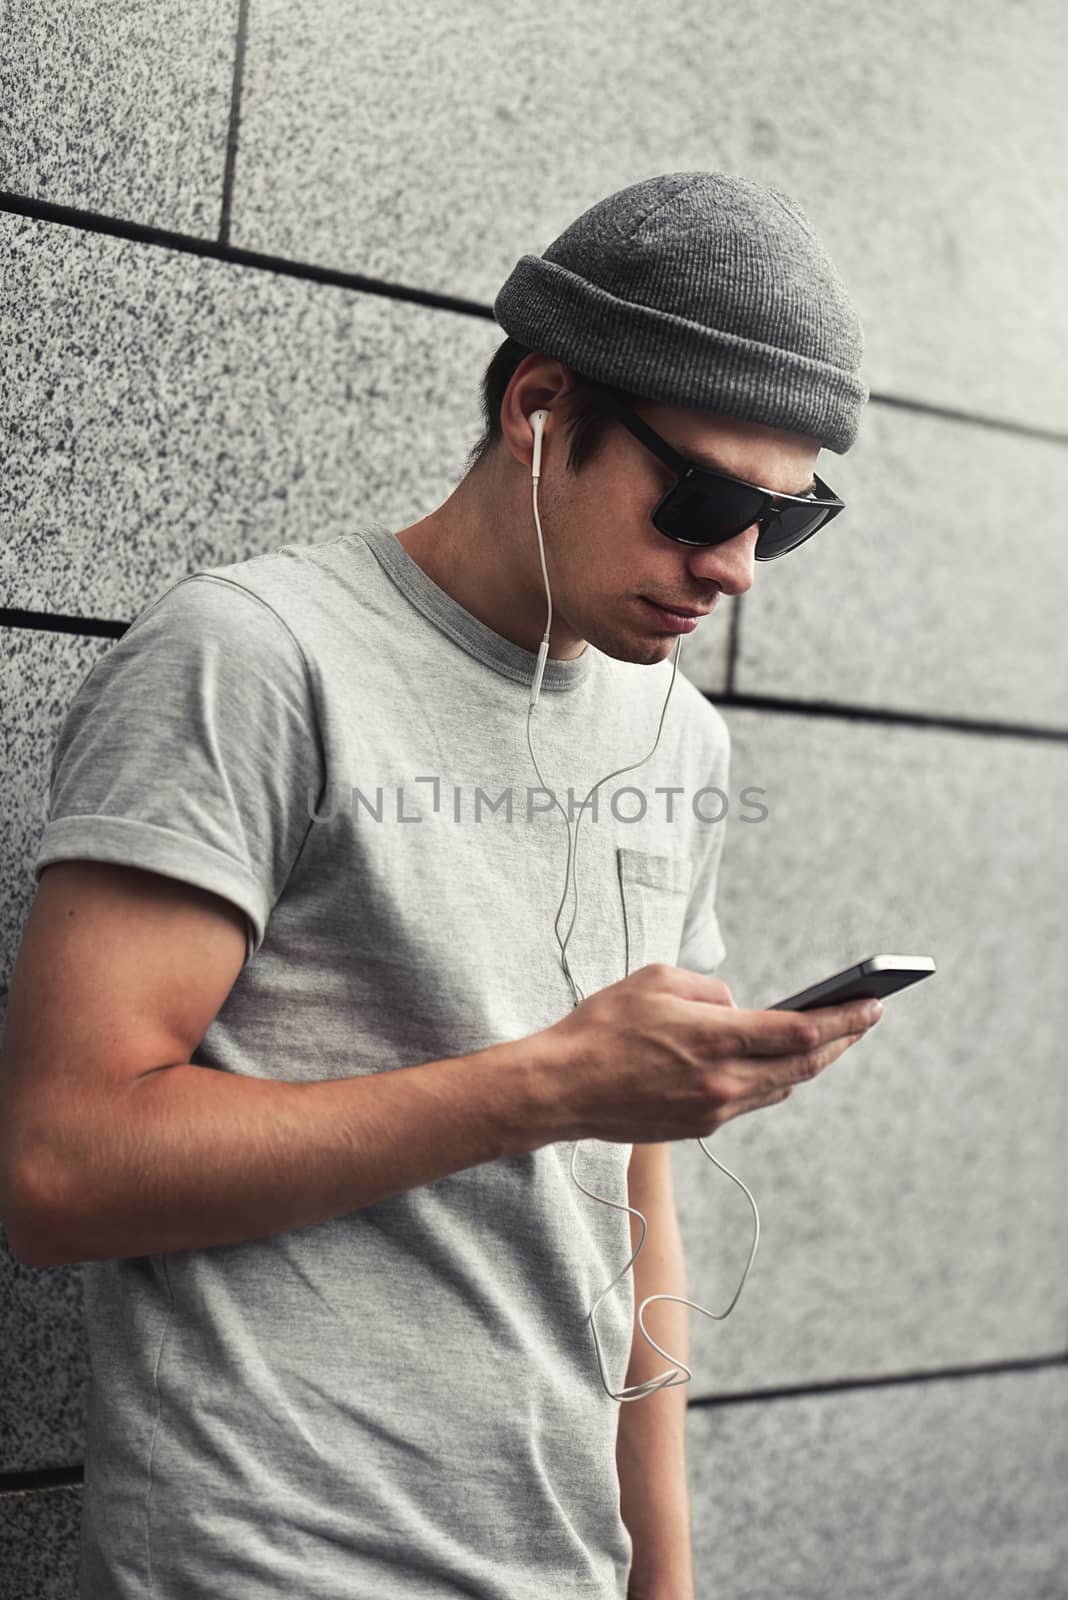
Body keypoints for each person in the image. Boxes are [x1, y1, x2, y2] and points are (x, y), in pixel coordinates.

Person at [1, 171, 884, 1600]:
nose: (734, 571)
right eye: (706, 499)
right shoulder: (252, 659)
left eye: (783, 521)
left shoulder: (680, 739)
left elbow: (632, 1196)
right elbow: (60, 1167)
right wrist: (552, 1084)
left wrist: (661, 1580)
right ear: (542, 410)